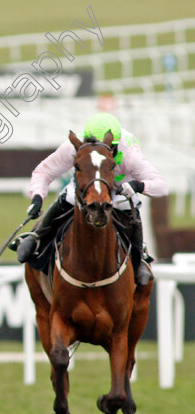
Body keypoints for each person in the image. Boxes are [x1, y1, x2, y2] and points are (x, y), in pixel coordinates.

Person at [15, 113, 169, 285]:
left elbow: (161, 186)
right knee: (70, 196)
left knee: (128, 205)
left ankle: (138, 259)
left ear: (116, 145)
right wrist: (37, 197)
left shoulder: (129, 152)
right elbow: (43, 172)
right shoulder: (74, 146)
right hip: (88, 185)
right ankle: (37, 237)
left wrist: (137, 186)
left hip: (119, 187)